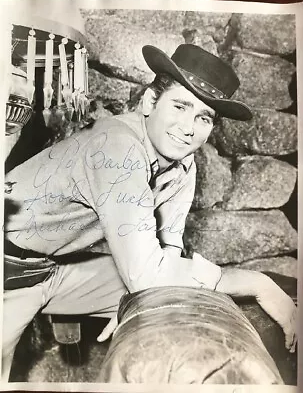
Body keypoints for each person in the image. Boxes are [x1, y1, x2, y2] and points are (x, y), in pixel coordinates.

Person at [3, 44, 297, 381]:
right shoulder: (116, 147)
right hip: (8, 274)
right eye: (180, 106)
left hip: (59, 270)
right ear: (148, 102)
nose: (189, 128)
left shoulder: (183, 164)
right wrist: (258, 282)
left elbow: (168, 251)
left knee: (182, 297)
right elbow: (147, 275)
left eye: (204, 117)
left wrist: (138, 300)